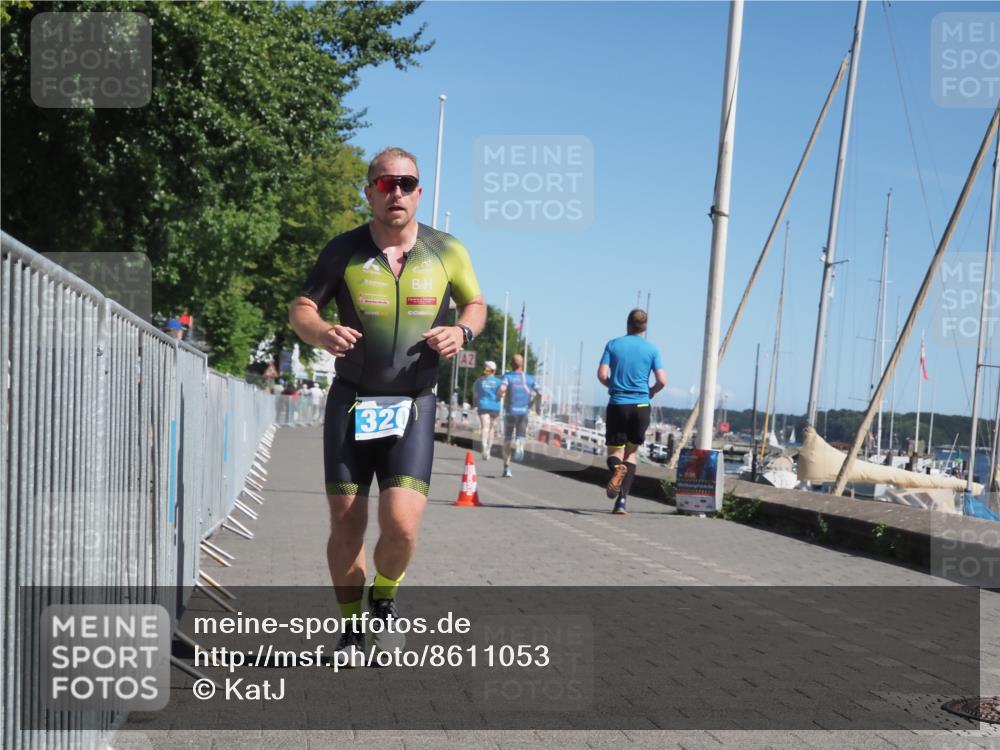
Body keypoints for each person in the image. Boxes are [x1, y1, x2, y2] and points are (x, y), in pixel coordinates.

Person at [288, 146, 486, 659]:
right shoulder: (344, 250)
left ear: (419, 192)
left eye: (405, 183)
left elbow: (476, 303)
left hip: (414, 404)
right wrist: (322, 332)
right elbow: (303, 307)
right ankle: (352, 630)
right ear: (369, 191)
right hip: (352, 402)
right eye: (383, 183)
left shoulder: (448, 250)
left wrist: (462, 331)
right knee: (347, 522)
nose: (394, 192)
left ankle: (384, 599)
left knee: (401, 524)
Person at [597, 309, 667, 515]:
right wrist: (650, 392)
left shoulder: (613, 345)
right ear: (645, 327)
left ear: (627, 324)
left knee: (615, 453)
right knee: (632, 454)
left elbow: (601, 374)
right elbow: (662, 380)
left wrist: (612, 385)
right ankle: (621, 502)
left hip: (618, 403)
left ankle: (617, 471)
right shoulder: (652, 350)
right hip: (641, 406)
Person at [498, 353, 542, 478]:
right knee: (521, 434)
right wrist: (536, 406)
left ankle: (506, 468)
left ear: (511, 364)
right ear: (522, 364)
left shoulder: (507, 377)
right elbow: (540, 392)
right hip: (523, 412)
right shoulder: (530, 378)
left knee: (507, 440)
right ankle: (519, 444)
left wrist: (500, 396)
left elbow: (502, 389)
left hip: (510, 412)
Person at [472, 360, 502, 460]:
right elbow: (501, 394)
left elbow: (475, 394)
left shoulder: (479, 381)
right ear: (494, 371)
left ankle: (484, 444)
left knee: (484, 427)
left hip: (483, 405)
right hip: (495, 406)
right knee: (492, 429)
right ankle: (488, 450)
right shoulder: (498, 382)